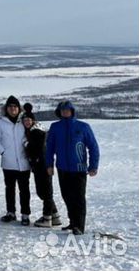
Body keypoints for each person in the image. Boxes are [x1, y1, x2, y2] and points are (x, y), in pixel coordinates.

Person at [46, 100, 100, 236]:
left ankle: (79, 226)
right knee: (67, 196)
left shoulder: (83, 127)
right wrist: (49, 165)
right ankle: (73, 222)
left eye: (67, 110)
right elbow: (49, 148)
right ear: (59, 112)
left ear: (72, 111)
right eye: (63, 110)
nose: (65, 112)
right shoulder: (55, 127)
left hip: (79, 169)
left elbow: (93, 147)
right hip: (62, 168)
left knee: (79, 198)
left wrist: (93, 166)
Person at [21, 103, 61, 228]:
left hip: (42, 164)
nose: (27, 122)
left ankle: (47, 217)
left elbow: (37, 148)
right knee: (44, 191)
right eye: (25, 120)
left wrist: (27, 146)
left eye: (29, 120)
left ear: (33, 120)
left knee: (45, 191)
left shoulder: (37, 132)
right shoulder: (33, 131)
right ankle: (55, 216)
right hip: (40, 164)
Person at [0, 95, 31, 225]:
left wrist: (28, 147)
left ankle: (25, 214)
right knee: (10, 189)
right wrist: (3, 152)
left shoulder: (24, 120)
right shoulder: (0, 122)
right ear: (6, 108)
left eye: (15, 106)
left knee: (24, 190)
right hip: (8, 162)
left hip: (23, 162)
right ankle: (11, 212)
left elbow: (31, 134)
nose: (12, 109)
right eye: (10, 106)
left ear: (18, 108)